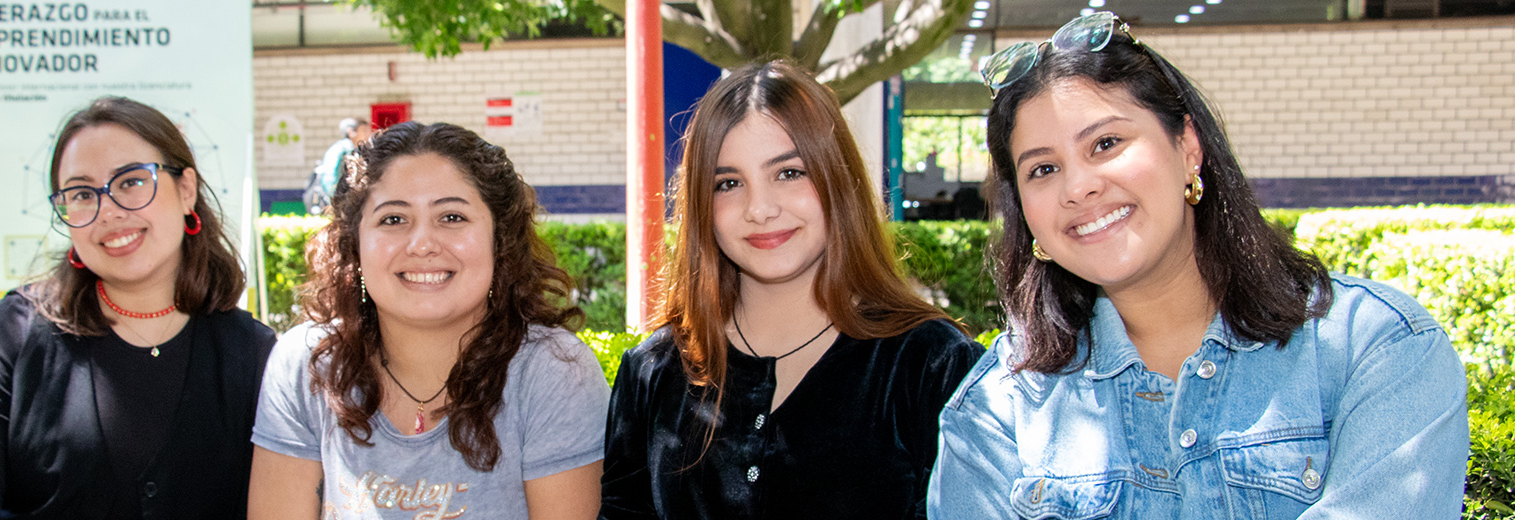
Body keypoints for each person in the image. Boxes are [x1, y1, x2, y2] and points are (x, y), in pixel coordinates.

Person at [928, 11, 1467, 518]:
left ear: (1188, 146)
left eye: (1106, 143)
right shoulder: (998, 408)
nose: (1079, 187)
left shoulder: (1374, 347)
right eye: (1042, 169)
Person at [600, 60, 984, 519]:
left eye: (789, 173)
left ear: (837, 179)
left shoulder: (931, 364)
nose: (759, 209)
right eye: (729, 183)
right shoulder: (653, 372)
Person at [0, 96, 278, 520]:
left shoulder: (253, 354)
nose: (109, 211)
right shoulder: (12, 333)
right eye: (82, 193)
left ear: (186, 190)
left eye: (131, 181)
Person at [251, 121, 607, 519]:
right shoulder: (307, 364)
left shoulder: (554, 373)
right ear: (355, 247)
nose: (422, 244)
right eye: (393, 219)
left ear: (499, 239)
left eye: (452, 217)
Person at [306, 117, 372, 214]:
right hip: (339, 203)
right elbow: (329, 177)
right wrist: (337, 201)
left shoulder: (351, 149)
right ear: (351, 132)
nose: (368, 134)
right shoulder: (343, 149)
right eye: (364, 130)